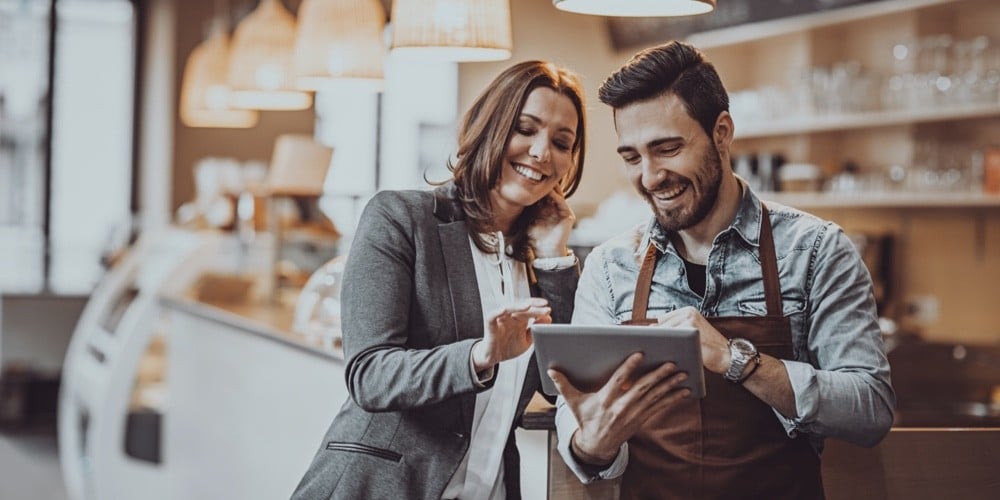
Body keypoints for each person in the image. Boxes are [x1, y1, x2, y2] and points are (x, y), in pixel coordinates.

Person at [549, 41, 895, 499]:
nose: (650, 177)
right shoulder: (611, 267)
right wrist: (590, 445)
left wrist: (736, 360)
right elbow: (579, 423)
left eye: (667, 148)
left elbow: (870, 410)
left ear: (722, 132)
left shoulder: (816, 251)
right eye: (632, 157)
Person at [291, 60, 587, 500]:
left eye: (561, 142)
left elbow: (558, 380)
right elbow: (370, 374)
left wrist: (554, 258)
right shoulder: (400, 218)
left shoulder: (544, 257)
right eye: (525, 129)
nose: (542, 152)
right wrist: (479, 356)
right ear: (490, 127)